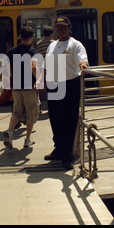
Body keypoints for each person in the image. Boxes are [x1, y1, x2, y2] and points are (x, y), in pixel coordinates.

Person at [45, 16, 89, 169]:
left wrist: (83, 65)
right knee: (55, 119)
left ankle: (67, 155)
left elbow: (82, 60)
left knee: (68, 120)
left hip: (70, 84)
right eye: (58, 26)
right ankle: (58, 148)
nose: (60, 29)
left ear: (69, 28)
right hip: (53, 84)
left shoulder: (75, 45)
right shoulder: (52, 46)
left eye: (63, 27)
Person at [3, 26, 43, 149]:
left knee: (17, 112)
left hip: (16, 87)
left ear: (20, 36)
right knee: (31, 113)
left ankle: (9, 131)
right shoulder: (32, 51)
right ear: (31, 38)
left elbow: (7, 68)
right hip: (29, 87)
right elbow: (33, 66)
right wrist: (39, 80)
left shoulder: (11, 51)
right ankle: (27, 139)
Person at [36, 26, 55, 103]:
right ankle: (52, 104)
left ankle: (39, 105)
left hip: (41, 67)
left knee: (41, 87)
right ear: (51, 34)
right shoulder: (54, 43)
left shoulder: (38, 43)